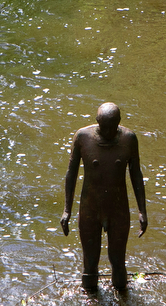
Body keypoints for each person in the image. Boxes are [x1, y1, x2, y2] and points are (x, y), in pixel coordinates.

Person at [61, 102, 148, 293]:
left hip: (118, 210)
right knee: (90, 264)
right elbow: (71, 173)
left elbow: (136, 175)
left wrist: (142, 211)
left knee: (118, 261)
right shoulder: (82, 137)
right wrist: (67, 210)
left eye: (113, 127)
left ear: (119, 123)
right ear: (97, 122)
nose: (108, 132)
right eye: (104, 127)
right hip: (90, 210)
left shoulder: (129, 139)